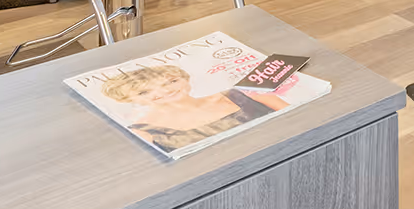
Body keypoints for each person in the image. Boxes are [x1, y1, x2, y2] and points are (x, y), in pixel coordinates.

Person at [99, 62, 286, 152]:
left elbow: (304, 118)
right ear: (128, 99)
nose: (165, 92)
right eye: (144, 92)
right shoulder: (142, 131)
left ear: (185, 79)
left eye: (170, 81)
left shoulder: (243, 94)